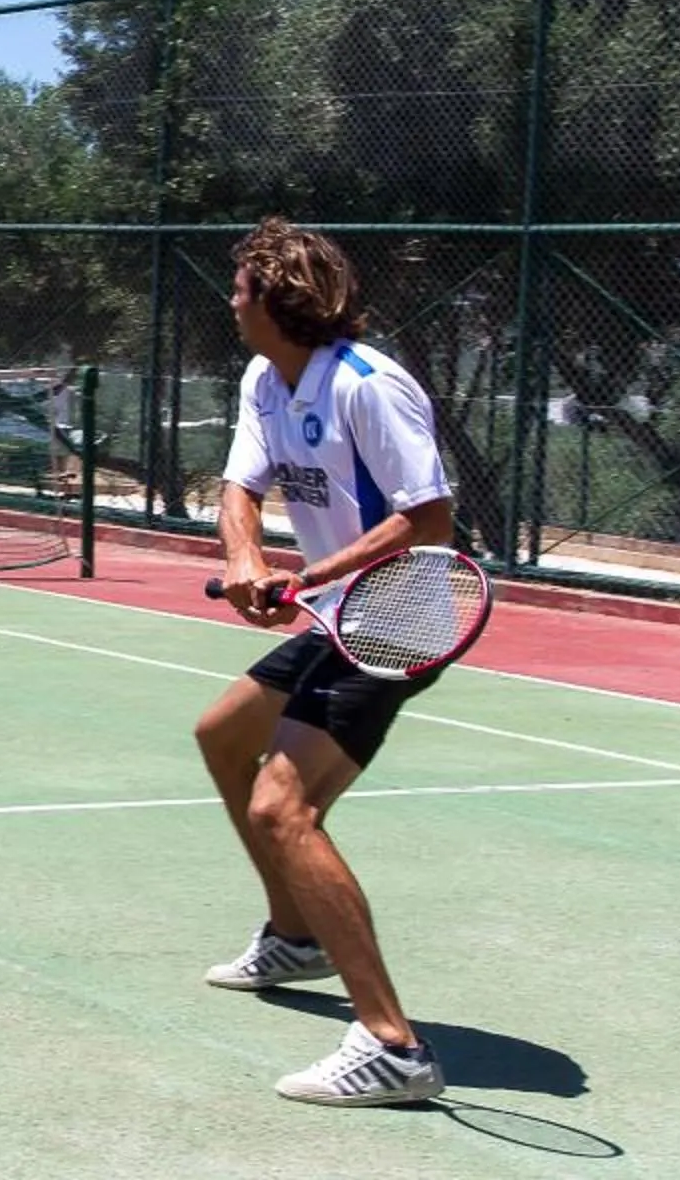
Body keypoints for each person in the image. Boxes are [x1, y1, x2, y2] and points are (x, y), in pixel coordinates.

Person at [193, 216, 454, 1107]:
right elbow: (240, 487)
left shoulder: (369, 388)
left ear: (277, 299)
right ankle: (295, 936)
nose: (231, 301)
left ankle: (393, 1046)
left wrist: (308, 575)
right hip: (339, 613)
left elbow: (428, 519)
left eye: (240, 288)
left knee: (283, 806)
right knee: (224, 735)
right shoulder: (266, 378)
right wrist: (245, 560)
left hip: (398, 619)